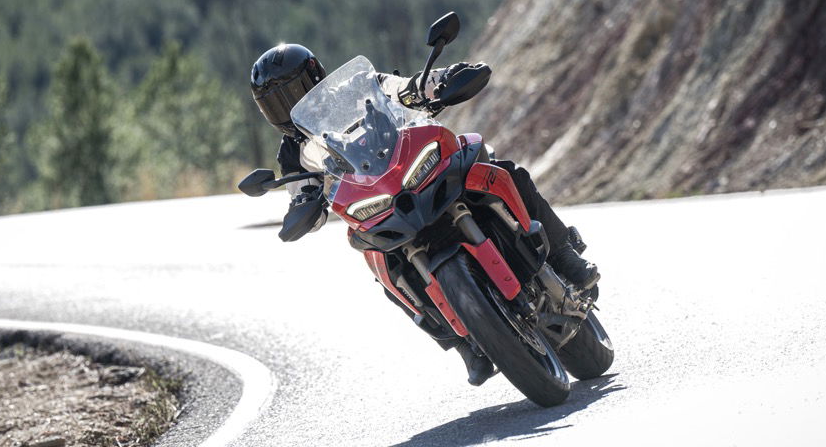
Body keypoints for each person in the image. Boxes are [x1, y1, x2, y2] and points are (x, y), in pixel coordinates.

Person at [249, 42, 599, 386]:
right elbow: (303, 195)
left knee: (500, 167)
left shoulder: (353, 88)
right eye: (276, 102)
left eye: (293, 91)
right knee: (380, 265)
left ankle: (564, 254)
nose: (290, 105)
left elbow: (405, 89)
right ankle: (461, 343)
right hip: (376, 203)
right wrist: (303, 210)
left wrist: (442, 81)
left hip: (414, 163)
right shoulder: (293, 152)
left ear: (315, 77)